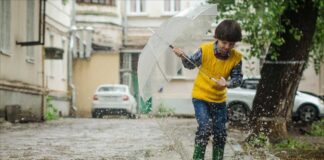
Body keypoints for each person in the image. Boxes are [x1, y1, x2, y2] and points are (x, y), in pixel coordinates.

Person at [172, 19, 243, 160]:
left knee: (220, 132)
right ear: (216, 38)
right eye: (224, 42)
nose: (227, 47)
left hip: (219, 100)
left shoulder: (236, 58)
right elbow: (190, 65)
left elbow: (238, 79)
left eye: (231, 44)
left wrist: (227, 83)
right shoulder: (205, 50)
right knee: (205, 128)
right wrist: (183, 56)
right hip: (201, 97)